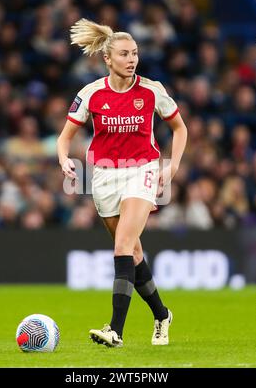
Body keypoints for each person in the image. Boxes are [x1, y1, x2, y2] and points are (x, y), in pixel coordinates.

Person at [57, 19, 187, 347]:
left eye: (135, 53)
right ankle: (162, 314)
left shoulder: (152, 90)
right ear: (107, 58)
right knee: (134, 253)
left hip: (141, 170)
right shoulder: (91, 94)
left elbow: (180, 129)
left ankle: (115, 329)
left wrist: (171, 167)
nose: (132, 59)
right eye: (125, 54)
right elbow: (65, 137)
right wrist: (64, 159)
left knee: (122, 246)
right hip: (102, 177)